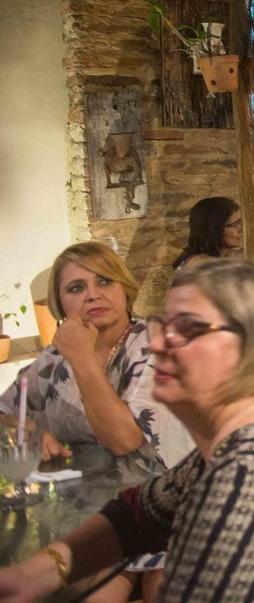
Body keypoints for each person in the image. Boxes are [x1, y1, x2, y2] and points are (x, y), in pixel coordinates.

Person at [0, 260, 254, 603]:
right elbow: (137, 514)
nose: (160, 340)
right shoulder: (240, 445)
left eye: (189, 327)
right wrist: (31, 575)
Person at [0, 242, 191, 602]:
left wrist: (84, 361)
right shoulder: (56, 357)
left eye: (105, 282)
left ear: (125, 289)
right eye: (76, 288)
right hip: (91, 511)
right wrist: (21, 426)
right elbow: (6, 407)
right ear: (60, 305)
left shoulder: (156, 346)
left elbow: (124, 440)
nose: (93, 295)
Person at [173, 197, 242, 269]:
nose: (240, 229)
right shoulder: (207, 265)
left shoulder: (203, 259)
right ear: (214, 230)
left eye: (238, 222)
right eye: (232, 225)